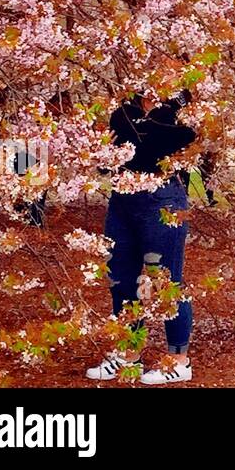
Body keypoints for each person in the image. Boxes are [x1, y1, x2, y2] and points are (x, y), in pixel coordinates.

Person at [86, 89, 198, 385]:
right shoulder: (123, 111)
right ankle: (127, 353)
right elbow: (118, 152)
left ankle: (178, 360)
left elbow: (159, 142)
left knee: (165, 281)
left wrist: (165, 112)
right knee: (120, 278)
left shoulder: (187, 114)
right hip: (123, 201)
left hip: (163, 201)